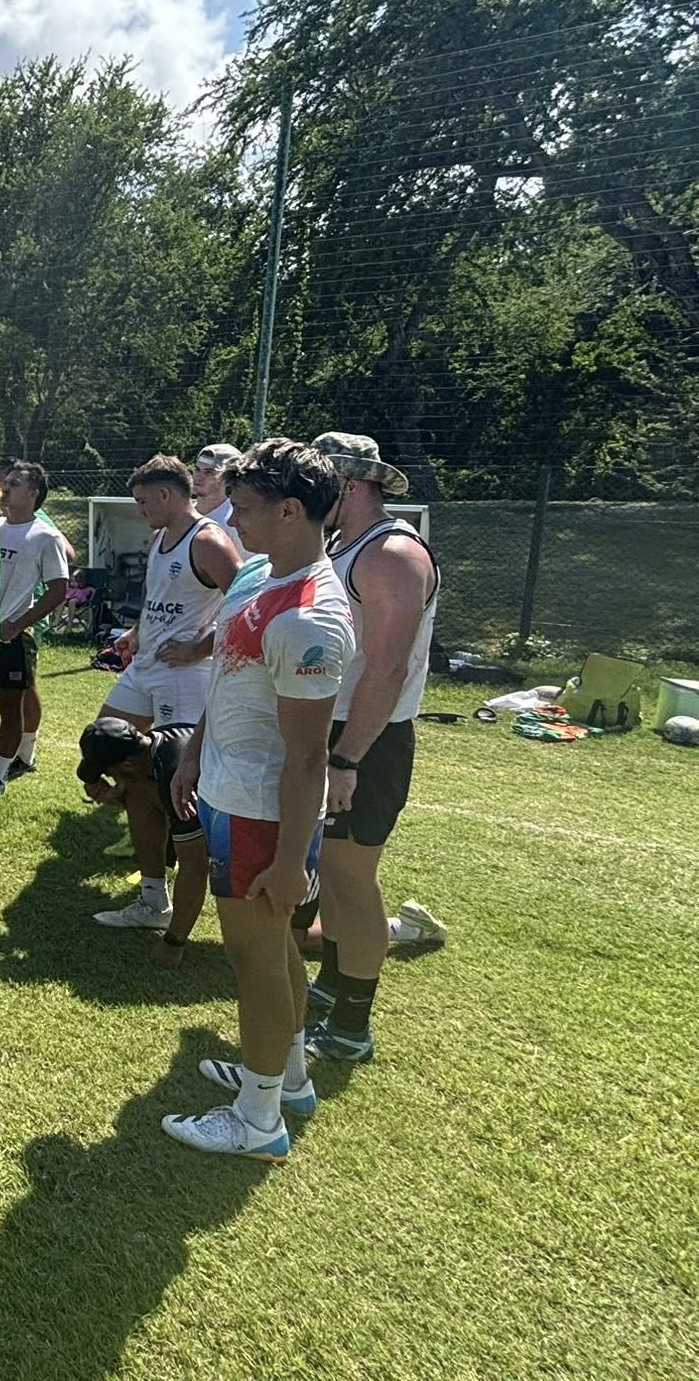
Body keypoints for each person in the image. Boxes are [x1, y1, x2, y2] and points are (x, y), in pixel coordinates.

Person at [159, 438, 353, 1161]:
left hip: (262, 814)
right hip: (224, 789)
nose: (231, 520)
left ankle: (258, 1117)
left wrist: (290, 862)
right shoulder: (257, 579)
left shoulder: (310, 616)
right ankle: (289, 1077)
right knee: (271, 951)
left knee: (256, 962)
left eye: (243, 508)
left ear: (293, 510)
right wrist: (194, 752)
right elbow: (229, 680)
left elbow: (308, 757)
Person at [306, 431, 441, 1063]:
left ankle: (352, 1026)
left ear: (350, 486)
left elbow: (386, 669)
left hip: (367, 740)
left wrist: (347, 757)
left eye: (319, 484)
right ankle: (331, 991)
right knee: (332, 875)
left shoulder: (391, 553)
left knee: (353, 878)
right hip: (336, 732)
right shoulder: (345, 543)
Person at [99, 455, 243, 733]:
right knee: (102, 746)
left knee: (174, 766)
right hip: (145, 663)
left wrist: (199, 650)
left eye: (142, 501)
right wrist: (137, 631)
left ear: (165, 494)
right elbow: (153, 591)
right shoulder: (158, 537)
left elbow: (247, 607)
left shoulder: (208, 541)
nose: (140, 510)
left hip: (183, 674)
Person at [0, 461, 70, 802]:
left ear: (33, 493)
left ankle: (0, 774)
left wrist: (17, 624)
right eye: (5, 482)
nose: (4, 487)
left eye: (13, 483)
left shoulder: (45, 535)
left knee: (10, 705)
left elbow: (59, 589)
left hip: (13, 637)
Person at [81, 717, 209, 954]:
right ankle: (154, 904)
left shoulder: (175, 775)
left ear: (128, 765)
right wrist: (117, 797)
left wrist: (173, 943)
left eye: (108, 773)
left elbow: (196, 867)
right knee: (136, 792)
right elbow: (148, 795)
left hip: (265, 816)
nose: (109, 779)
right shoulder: (151, 748)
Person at [191, 443, 243, 547]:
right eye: (197, 469)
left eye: (209, 472)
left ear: (227, 479)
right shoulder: (183, 513)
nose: (198, 477)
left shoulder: (234, 521)